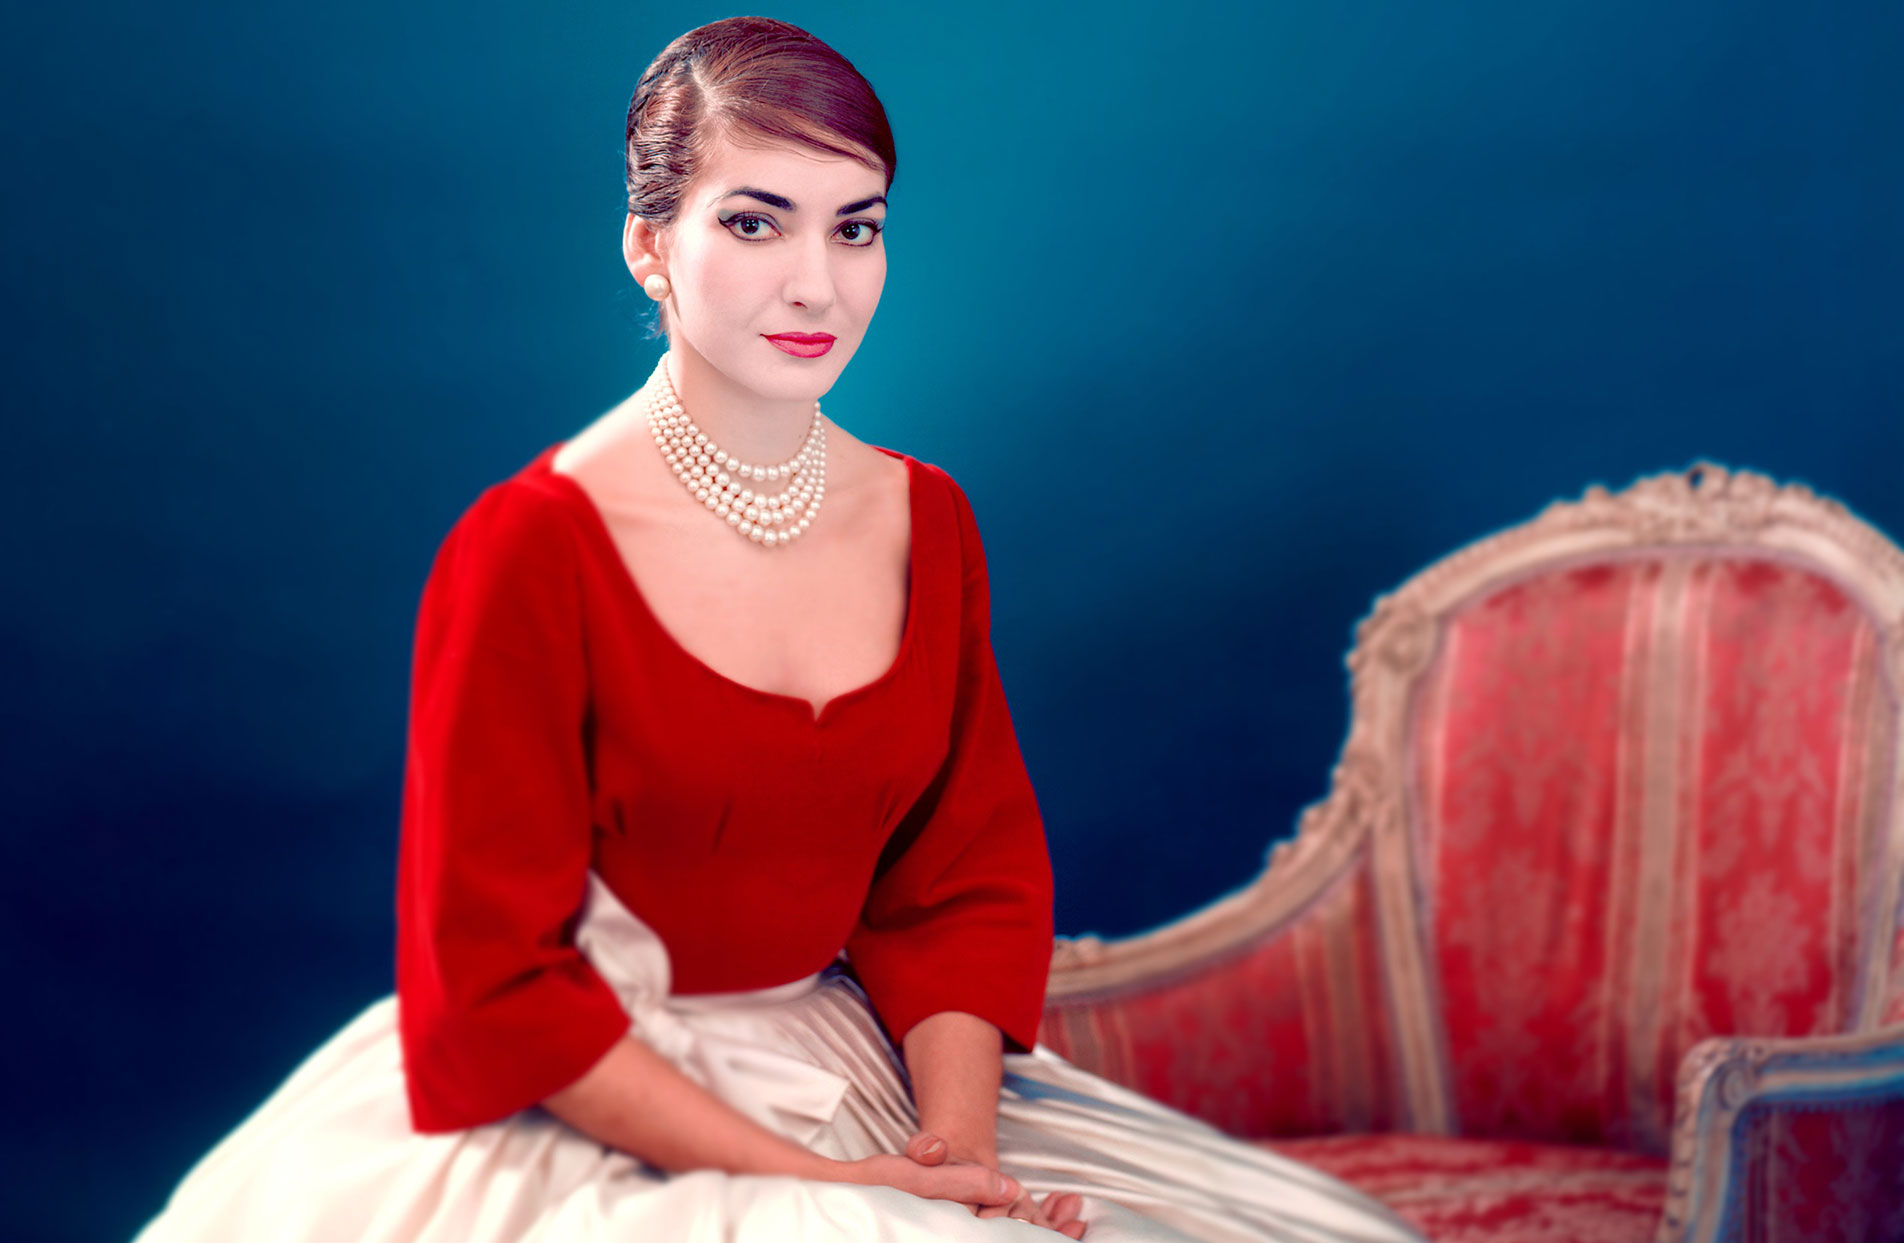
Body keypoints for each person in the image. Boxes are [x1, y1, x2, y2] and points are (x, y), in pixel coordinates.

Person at [131, 17, 1428, 1243]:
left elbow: (956, 883)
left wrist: (954, 1159)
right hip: (584, 1103)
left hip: (856, 1069)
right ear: (648, 246)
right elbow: (496, 988)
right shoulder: (527, 548)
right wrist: (834, 1189)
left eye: (855, 228)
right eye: (754, 223)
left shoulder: (927, 518)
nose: (818, 284)